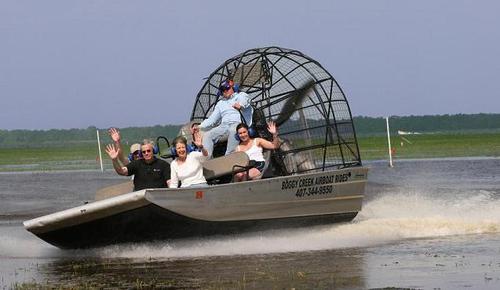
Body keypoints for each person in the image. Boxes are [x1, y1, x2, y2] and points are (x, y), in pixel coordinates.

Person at [193, 79, 252, 157]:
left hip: (238, 124)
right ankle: (206, 159)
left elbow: (245, 101)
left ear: (233, 87)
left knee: (233, 130)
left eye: (227, 88)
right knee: (208, 135)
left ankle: (229, 157)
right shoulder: (220, 103)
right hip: (224, 126)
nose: (225, 91)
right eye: (222, 90)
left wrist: (240, 105)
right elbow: (212, 120)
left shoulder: (241, 95)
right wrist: (199, 126)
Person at [105, 139, 170, 191]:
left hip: (158, 197)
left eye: (148, 151)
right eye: (144, 152)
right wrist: (114, 160)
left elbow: (170, 183)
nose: (146, 153)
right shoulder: (136, 164)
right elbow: (121, 171)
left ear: (154, 151)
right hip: (140, 198)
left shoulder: (164, 165)